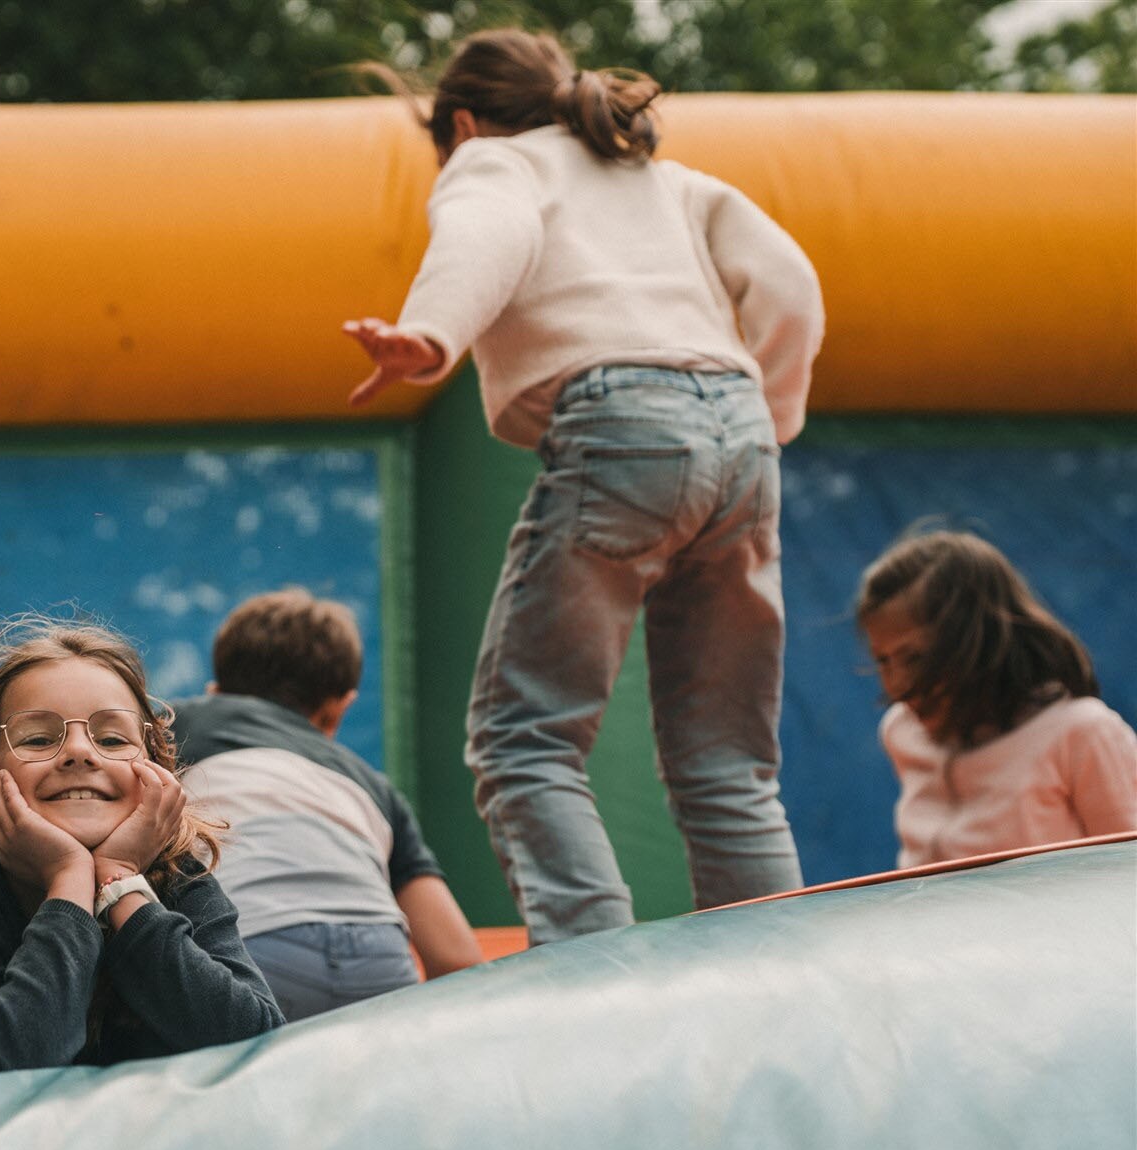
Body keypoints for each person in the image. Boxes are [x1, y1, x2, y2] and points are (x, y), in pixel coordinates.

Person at [344, 29, 825, 944]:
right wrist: (773, 413)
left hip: (622, 428)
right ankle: (784, 974)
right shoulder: (673, 183)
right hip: (739, 433)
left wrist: (432, 333)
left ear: (466, 124)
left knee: (522, 740)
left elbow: (490, 232)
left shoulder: (497, 164)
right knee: (728, 761)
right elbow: (792, 285)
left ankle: (601, 977)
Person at [0, 618, 283, 1078]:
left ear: (161, 788)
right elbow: (5, 1069)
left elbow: (258, 1044)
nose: (79, 751)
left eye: (112, 739)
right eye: (38, 738)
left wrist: (120, 883)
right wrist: (70, 880)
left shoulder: (182, 883)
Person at [170, 589, 482, 1020]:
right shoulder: (370, 784)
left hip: (254, 947)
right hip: (380, 957)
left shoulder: (180, 727)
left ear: (215, 689)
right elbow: (456, 959)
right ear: (338, 709)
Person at [857, 529, 1137, 868]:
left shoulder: (1083, 734)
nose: (897, 685)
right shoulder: (901, 731)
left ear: (980, 643)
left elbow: (1128, 875)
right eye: (882, 660)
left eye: (915, 657)